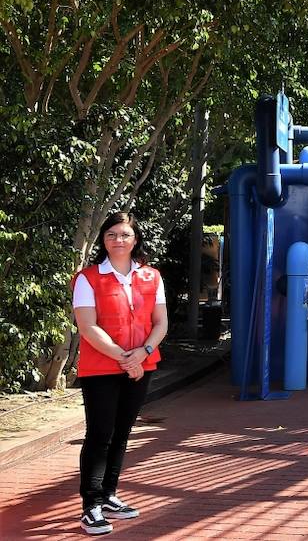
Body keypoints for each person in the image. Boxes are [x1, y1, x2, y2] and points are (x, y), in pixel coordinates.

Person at [72, 212, 168, 536]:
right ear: (103, 239)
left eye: (125, 234)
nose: (118, 240)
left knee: (122, 433)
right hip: (101, 368)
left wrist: (143, 352)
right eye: (112, 234)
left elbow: (160, 322)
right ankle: (91, 506)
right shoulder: (88, 278)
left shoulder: (152, 277)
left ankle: (110, 494)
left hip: (142, 365)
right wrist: (126, 358)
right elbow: (87, 326)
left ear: (135, 238)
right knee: (99, 434)